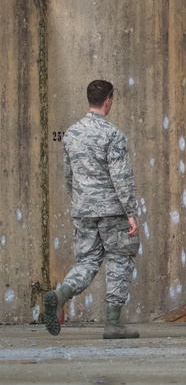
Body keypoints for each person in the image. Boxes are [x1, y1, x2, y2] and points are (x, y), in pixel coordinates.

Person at [44, 80, 141, 339]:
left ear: (90, 100)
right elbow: (121, 177)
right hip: (113, 211)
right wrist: (131, 213)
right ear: (109, 100)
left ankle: (61, 293)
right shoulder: (114, 135)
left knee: (87, 261)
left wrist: (80, 203)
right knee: (120, 260)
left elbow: (68, 175)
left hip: (83, 210)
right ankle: (112, 323)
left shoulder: (71, 134)